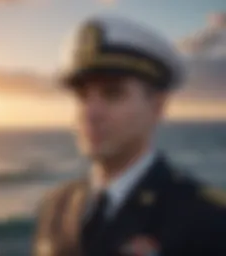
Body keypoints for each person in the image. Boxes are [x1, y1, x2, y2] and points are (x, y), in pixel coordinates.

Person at [33, 14, 226, 256]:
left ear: (157, 107)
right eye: (82, 96)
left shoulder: (207, 218)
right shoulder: (55, 206)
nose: (90, 113)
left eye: (112, 94)